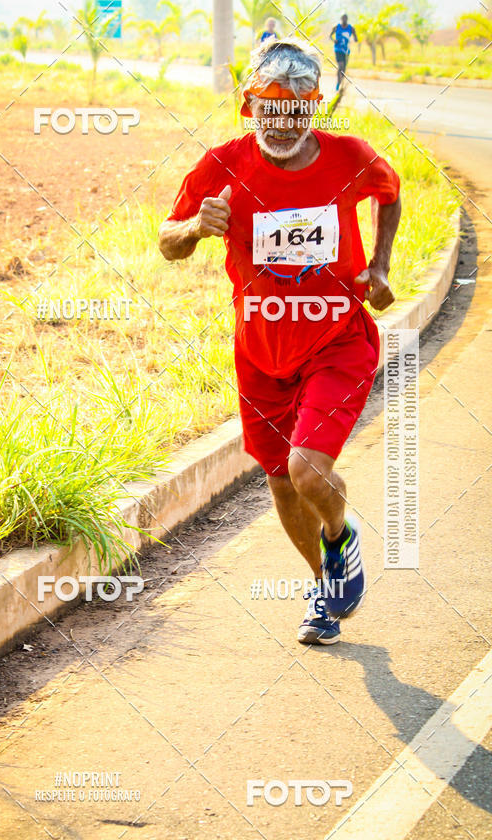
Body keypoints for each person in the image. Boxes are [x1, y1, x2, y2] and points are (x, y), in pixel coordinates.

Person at [159, 39, 401, 645]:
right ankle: (326, 583)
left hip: (336, 342)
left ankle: (341, 534)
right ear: (250, 106)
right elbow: (166, 240)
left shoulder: (350, 156)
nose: (284, 121)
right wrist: (195, 226)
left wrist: (380, 265)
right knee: (279, 478)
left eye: (297, 109)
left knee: (306, 472)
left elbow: (390, 194)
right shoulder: (224, 164)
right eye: (271, 107)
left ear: (314, 108)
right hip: (260, 353)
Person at [330, 14, 358, 91]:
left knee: (344, 69)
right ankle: (338, 84)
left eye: (346, 18)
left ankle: (340, 83)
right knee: (340, 66)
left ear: (347, 19)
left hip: (346, 51)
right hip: (338, 49)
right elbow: (330, 36)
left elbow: (356, 38)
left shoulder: (351, 28)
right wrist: (333, 40)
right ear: (341, 19)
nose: (344, 20)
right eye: (343, 18)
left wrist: (355, 39)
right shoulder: (336, 27)